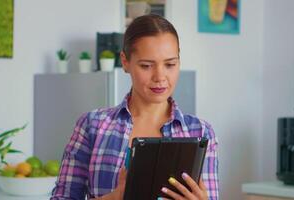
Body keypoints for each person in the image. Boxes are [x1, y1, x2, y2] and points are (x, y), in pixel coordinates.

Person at [50, 14, 219, 200]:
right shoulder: (92, 126)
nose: (160, 77)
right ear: (125, 62)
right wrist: (114, 198)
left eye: (170, 64)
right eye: (146, 66)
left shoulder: (201, 132)